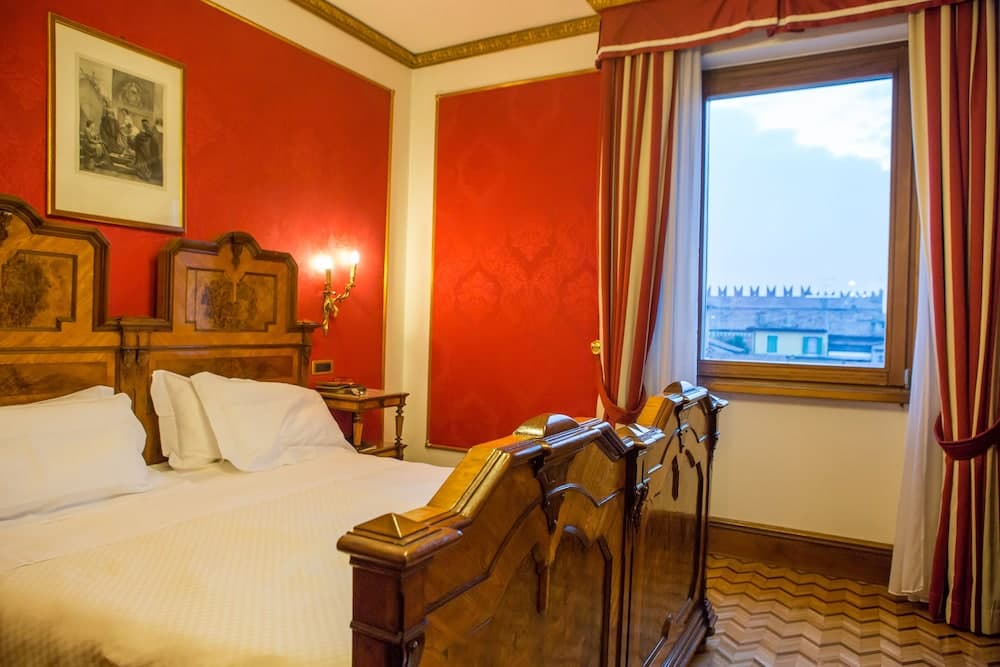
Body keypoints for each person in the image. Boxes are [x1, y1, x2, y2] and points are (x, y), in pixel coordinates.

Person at [131, 118, 161, 183]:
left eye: (144, 124)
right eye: (143, 124)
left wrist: (139, 136)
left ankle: (145, 174)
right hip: (144, 146)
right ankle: (144, 174)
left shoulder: (149, 130)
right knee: (141, 159)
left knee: (143, 159)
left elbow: (148, 135)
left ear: (147, 123)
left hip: (146, 146)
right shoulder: (146, 130)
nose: (143, 125)